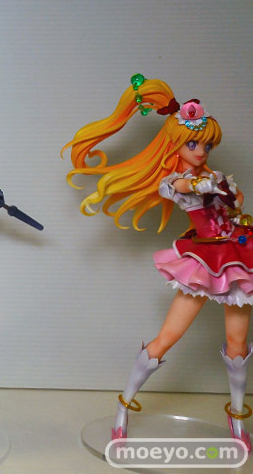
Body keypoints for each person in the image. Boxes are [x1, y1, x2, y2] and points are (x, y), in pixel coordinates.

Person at [64, 75, 253, 449]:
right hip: (204, 262)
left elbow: (234, 202)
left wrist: (225, 192)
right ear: (176, 145)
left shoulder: (216, 176)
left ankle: (237, 419)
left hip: (237, 256)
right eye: (193, 144)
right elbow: (182, 187)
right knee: (168, 337)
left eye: (206, 145)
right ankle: (123, 409)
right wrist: (204, 185)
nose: (201, 151)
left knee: (238, 343)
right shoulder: (175, 182)